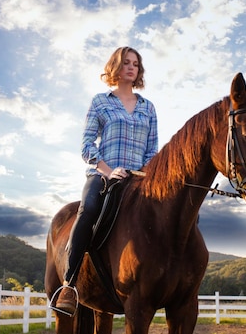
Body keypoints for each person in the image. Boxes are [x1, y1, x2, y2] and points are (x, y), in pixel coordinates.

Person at [53, 46, 158, 315]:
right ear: (115, 67)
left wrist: (145, 174)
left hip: (139, 180)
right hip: (103, 175)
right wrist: (108, 170)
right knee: (87, 211)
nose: (131, 67)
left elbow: (153, 150)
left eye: (135, 63)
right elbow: (87, 145)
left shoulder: (148, 107)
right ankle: (69, 284)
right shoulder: (101, 102)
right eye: (126, 63)